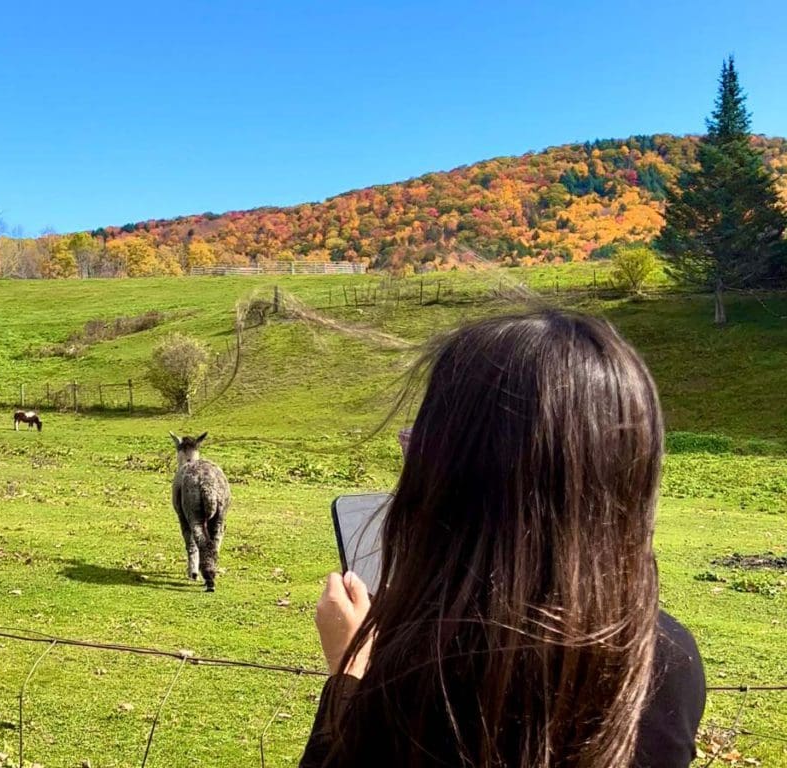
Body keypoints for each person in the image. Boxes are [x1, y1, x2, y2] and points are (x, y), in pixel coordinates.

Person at [300, 311, 705, 768]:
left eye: (420, 446)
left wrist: (349, 680)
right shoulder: (668, 656)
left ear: (455, 479)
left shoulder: (423, 664)